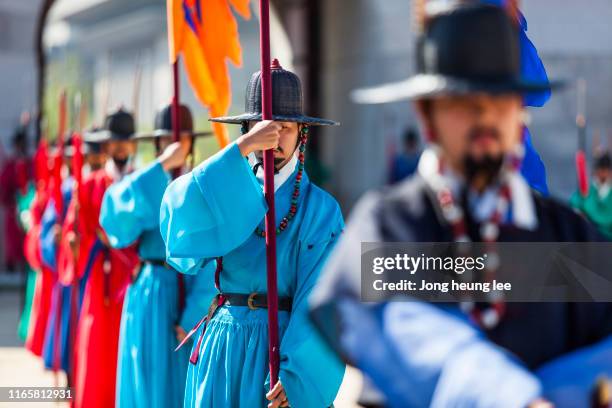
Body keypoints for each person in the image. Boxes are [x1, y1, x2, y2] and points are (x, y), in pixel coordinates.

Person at [311, 3, 612, 407]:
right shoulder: (391, 224)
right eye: (461, 99)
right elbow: (401, 327)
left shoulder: (567, 233)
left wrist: (562, 393)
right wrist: (510, 396)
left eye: (500, 98)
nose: (483, 112)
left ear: (521, 112)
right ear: (426, 113)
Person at [160, 60, 345, 408]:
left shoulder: (322, 210)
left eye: (285, 128)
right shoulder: (225, 189)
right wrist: (240, 150)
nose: (274, 138)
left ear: (302, 134)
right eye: (264, 130)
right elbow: (178, 218)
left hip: (281, 349)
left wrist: (299, 374)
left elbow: (324, 297)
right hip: (223, 345)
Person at [100, 104, 213, 408]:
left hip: (184, 290)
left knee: (178, 381)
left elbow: (211, 256)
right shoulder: (148, 181)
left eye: (179, 139)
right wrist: (162, 165)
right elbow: (113, 215)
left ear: (191, 142)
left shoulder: (202, 185)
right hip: (148, 290)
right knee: (142, 376)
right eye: (163, 140)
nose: (173, 144)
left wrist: (195, 311)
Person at [71, 108, 140, 408]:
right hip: (100, 283)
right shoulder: (89, 185)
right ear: (107, 146)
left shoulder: (143, 183)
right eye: (116, 142)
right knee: (96, 352)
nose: (121, 147)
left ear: (134, 145)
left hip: (135, 282)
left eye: (127, 141)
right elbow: (82, 235)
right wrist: (76, 243)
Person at [0, 114, 31, 272]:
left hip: (28, 209)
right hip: (14, 211)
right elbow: (3, 190)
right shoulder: (10, 165)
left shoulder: (29, 163)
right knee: (13, 244)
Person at [571, 152, 612, 239]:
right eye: (601, 168)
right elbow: (574, 203)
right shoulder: (588, 190)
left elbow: (607, 219)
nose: (603, 172)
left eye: (606, 169)